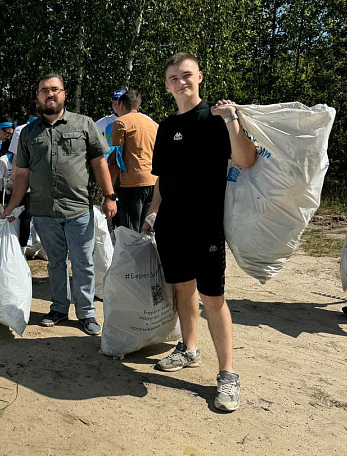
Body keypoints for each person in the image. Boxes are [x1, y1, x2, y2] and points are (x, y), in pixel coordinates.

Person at [143, 52, 256, 412]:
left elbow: (246, 160)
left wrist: (233, 120)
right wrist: (152, 212)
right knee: (181, 288)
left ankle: (228, 374)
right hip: (171, 225)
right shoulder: (165, 127)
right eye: (174, 78)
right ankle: (189, 348)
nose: (181, 82)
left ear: (200, 77)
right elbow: (162, 178)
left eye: (187, 75)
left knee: (213, 298)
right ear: (167, 85)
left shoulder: (217, 118)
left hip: (206, 225)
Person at [2, 73, 117, 335]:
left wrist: (109, 196)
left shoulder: (84, 124)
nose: (50, 94)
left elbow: (100, 163)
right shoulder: (28, 133)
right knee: (54, 263)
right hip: (44, 212)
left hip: (78, 209)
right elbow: (22, 175)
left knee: (83, 263)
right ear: (38, 97)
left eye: (55, 89)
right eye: (44, 90)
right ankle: (59, 309)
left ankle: (87, 313)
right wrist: (10, 208)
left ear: (63, 93)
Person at [109, 89, 159, 232]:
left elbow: (115, 160)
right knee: (145, 230)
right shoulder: (153, 124)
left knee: (130, 232)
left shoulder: (120, 123)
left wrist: (109, 190)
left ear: (122, 105)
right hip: (153, 182)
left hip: (132, 183)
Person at [7, 103, 40, 250]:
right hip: (41, 179)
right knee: (33, 215)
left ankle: (18, 248)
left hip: (23, 177)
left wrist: (12, 178)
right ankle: (29, 247)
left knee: (19, 214)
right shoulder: (46, 127)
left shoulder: (20, 130)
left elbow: (16, 157)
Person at [95, 89, 127, 159]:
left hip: (126, 163)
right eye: (114, 103)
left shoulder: (131, 119)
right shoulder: (105, 121)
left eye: (119, 102)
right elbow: (90, 132)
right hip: (109, 164)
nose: (116, 105)